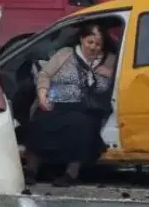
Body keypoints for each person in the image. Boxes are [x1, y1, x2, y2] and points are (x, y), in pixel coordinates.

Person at [20, 21, 116, 186]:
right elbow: (44, 75)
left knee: (83, 126)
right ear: (81, 40)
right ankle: (31, 170)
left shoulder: (110, 60)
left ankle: (71, 174)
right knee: (41, 122)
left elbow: (123, 80)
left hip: (86, 107)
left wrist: (110, 74)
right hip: (57, 101)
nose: (94, 47)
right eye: (90, 42)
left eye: (98, 44)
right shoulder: (65, 54)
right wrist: (42, 94)